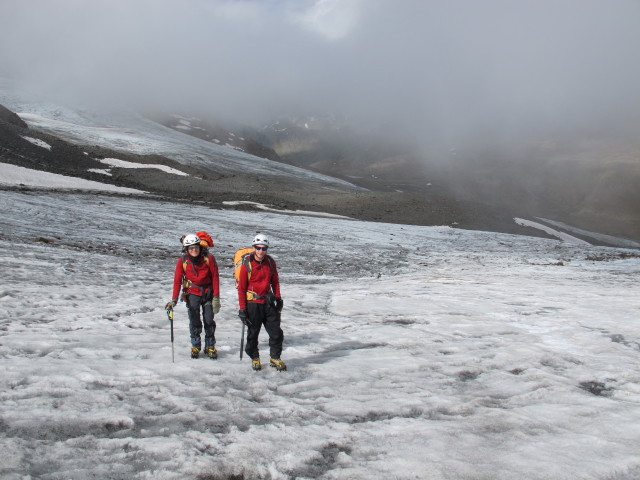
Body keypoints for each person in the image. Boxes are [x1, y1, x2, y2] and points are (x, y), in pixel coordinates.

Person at [166, 233, 220, 359]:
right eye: (190, 248)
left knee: (208, 320)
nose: (194, 250)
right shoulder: (183, 261)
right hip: (192, 294)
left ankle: (210, 345)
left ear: (200, 247)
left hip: (207, 293)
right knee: (194, 320)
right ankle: (196, 345)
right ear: (186, 250)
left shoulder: (209, 258)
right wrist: (174, 299)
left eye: (195, 247)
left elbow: (215, 278)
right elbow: (177, 280)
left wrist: (216, 298)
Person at [237, 234, 285, 371]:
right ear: (253, 247)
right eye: (258, 248)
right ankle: (254, 357)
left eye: (264, 248)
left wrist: (278, 298)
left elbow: (275, 281)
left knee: (276, 332)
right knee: (253, 333)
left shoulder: (270, 262)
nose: (260, 251)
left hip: (268, 302)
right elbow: (241, 288)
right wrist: (242, 309)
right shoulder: (247, 264)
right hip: (253, 304)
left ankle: (275, 357)